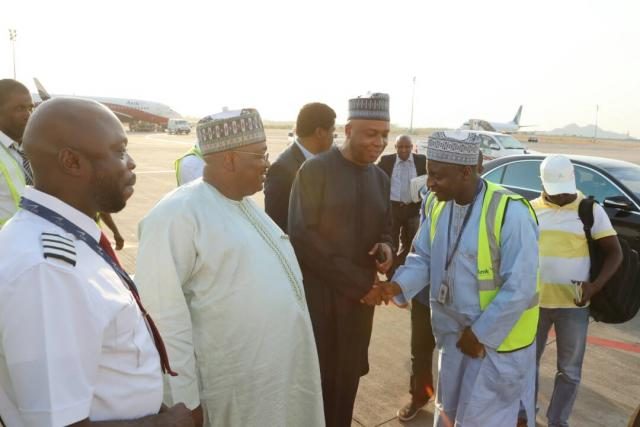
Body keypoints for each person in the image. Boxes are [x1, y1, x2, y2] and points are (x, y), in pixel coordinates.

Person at [0, 97, 193, 426]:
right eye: (119, 152)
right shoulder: (47, 270)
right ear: (72, 162)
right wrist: (169, 424)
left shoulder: (69, 238)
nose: (130, 163)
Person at [135, 108, 324, 427]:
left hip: (275, 379)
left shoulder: (247, 207)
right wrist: (184, 400)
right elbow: (164, 316)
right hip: (233, 389)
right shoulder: (176, 215)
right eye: (260, 155)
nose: (267, 162)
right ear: (230, 159)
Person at [382, 131, 540, 427]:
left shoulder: (510, 212)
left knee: (484, 421)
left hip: (494, 347)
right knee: (448, 414)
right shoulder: (436, 203)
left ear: (465, 172)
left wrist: (481, 333)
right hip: (453, 341)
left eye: (437, 176)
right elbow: (423, 257)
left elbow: (521, 286)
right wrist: (397, 285)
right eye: (429, 173)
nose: (429, 183)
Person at [288, 92, 394, 427]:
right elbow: (304, 238)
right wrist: (361, 284)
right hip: (321, 304)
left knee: (348, 382)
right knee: (316, 387)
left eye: (384, 135)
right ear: (348, 130)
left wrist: (387, 247)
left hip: (359, 309)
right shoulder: (314, 171)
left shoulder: (380, 178)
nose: (379, 142)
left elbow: (387, 227)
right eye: (371, 133)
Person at [530, 155, 622, 427]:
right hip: (533, 304)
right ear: (542, 183)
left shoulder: (590, 210)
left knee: (569, 371)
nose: (560, 197)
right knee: (527, 366)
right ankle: (527, 415)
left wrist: (595, 286)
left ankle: (558, 421)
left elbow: (614, 253)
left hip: (574, 306)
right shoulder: (530, 209)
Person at [264, 102, 336, 231]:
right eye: (332, 132)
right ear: (320, 132)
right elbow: (276, 225)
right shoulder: (282, 169)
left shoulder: (324, 161)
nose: (333, 138)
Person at [377, 134, 426, 276]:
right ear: (395, 147)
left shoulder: (421, 161)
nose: (404, 150)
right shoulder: (387, 161)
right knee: (391, 242)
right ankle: (391, 274)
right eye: (400, 147)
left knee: (411, 243)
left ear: (412, 147)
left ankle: (401, 270)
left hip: (413, 208)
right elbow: (375, 177)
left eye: (407, 147)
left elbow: (428, 179)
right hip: (393, 208)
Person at [0, 79, 34, 227]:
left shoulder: (35, 146)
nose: (28, 114)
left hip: (35, 241)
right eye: (20, 108)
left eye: (30, 108)